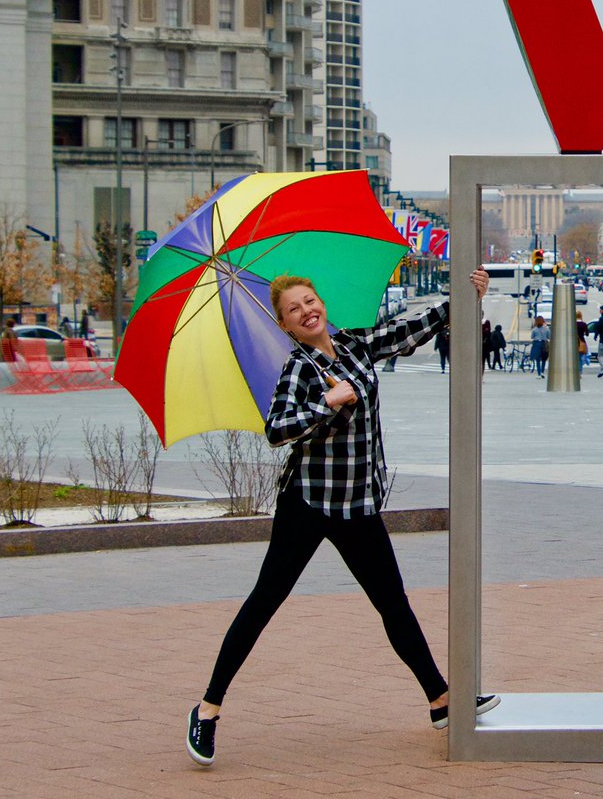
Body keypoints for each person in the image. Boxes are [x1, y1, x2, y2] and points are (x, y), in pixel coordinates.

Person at [186, 268, 499, 767]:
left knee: (393, 604)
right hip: (308, 505)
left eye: (309, 301)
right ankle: (207, 708)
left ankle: (441, 701)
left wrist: (463, 298)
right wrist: (325, 402)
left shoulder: (354, 346)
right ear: (285, 325)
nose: (306, 311)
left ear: (321, 303)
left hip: (356, 506)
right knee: (265, 601)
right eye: (294, 310)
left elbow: (404, 333)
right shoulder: (298, 368)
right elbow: (276, 430)